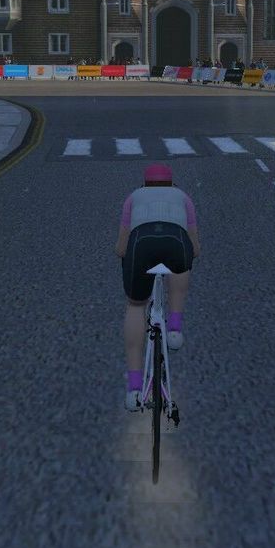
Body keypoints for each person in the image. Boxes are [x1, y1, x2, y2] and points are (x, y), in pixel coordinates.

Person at [114, 163, 198, 412]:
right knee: (182, 267)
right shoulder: (184, 198)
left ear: (145, 184)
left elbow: (121, 247)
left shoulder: (133, 198)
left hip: (141, 244)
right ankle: (174, 329)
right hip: (175, 242)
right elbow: (195, 248)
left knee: (135, 305)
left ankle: (134, 389)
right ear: (171, 184)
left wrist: (126, 256)